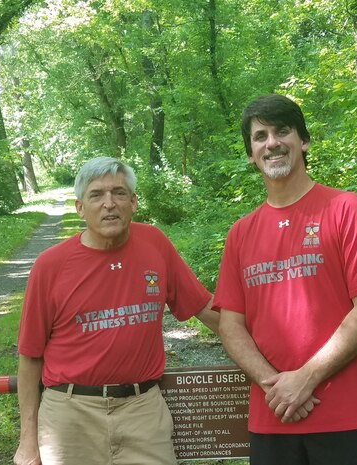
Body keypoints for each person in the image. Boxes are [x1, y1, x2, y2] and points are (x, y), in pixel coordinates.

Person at [213, 94, 357, 465]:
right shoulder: (240, 233)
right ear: (250, 153)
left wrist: (306, 378)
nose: (272, 143)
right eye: (260, 136)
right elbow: (231, 325)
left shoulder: (345, 209)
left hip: (348, 418)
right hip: (273, 418)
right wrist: (275, 385)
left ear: (304, 141)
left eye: (283, 131)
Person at [13, 156, 219, 465]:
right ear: (79, 207)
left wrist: (270, 351)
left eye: (119, 193)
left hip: (143, 411)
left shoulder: (155, 245)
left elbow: (206, 308)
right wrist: (29, 441)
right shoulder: (50, 266)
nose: (109, 203)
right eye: (96, 195)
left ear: (133, 202)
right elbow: (30, 357)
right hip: (70, 415)